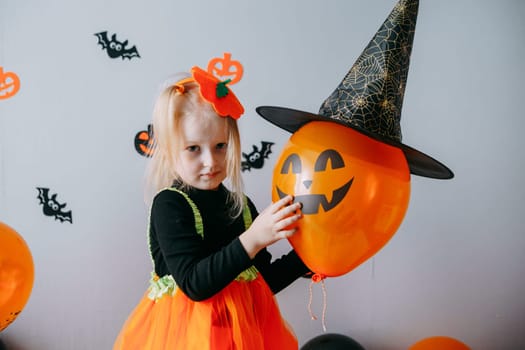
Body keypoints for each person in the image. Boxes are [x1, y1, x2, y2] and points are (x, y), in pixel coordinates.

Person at [113, 59, 309, 350]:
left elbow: (262, 283)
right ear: (169, 150)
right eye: (193, 149)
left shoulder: (239, 206)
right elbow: (195, 284)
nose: (211, 162)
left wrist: (306, 258)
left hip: (239, 338)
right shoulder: (170, 205)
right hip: (184, 340)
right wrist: (253, 238)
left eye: (221, 146)